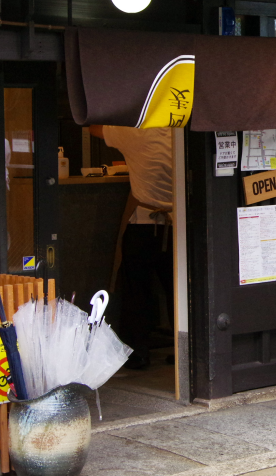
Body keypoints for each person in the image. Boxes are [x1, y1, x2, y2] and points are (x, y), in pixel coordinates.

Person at [90, 124, 174, 370]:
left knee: (136, 290)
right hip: (179, 224)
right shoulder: (181, 132)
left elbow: (92, 128)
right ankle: (186, 350)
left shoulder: (135, 132)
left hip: (143, 223)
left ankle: (138, 352)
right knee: (177, 290)